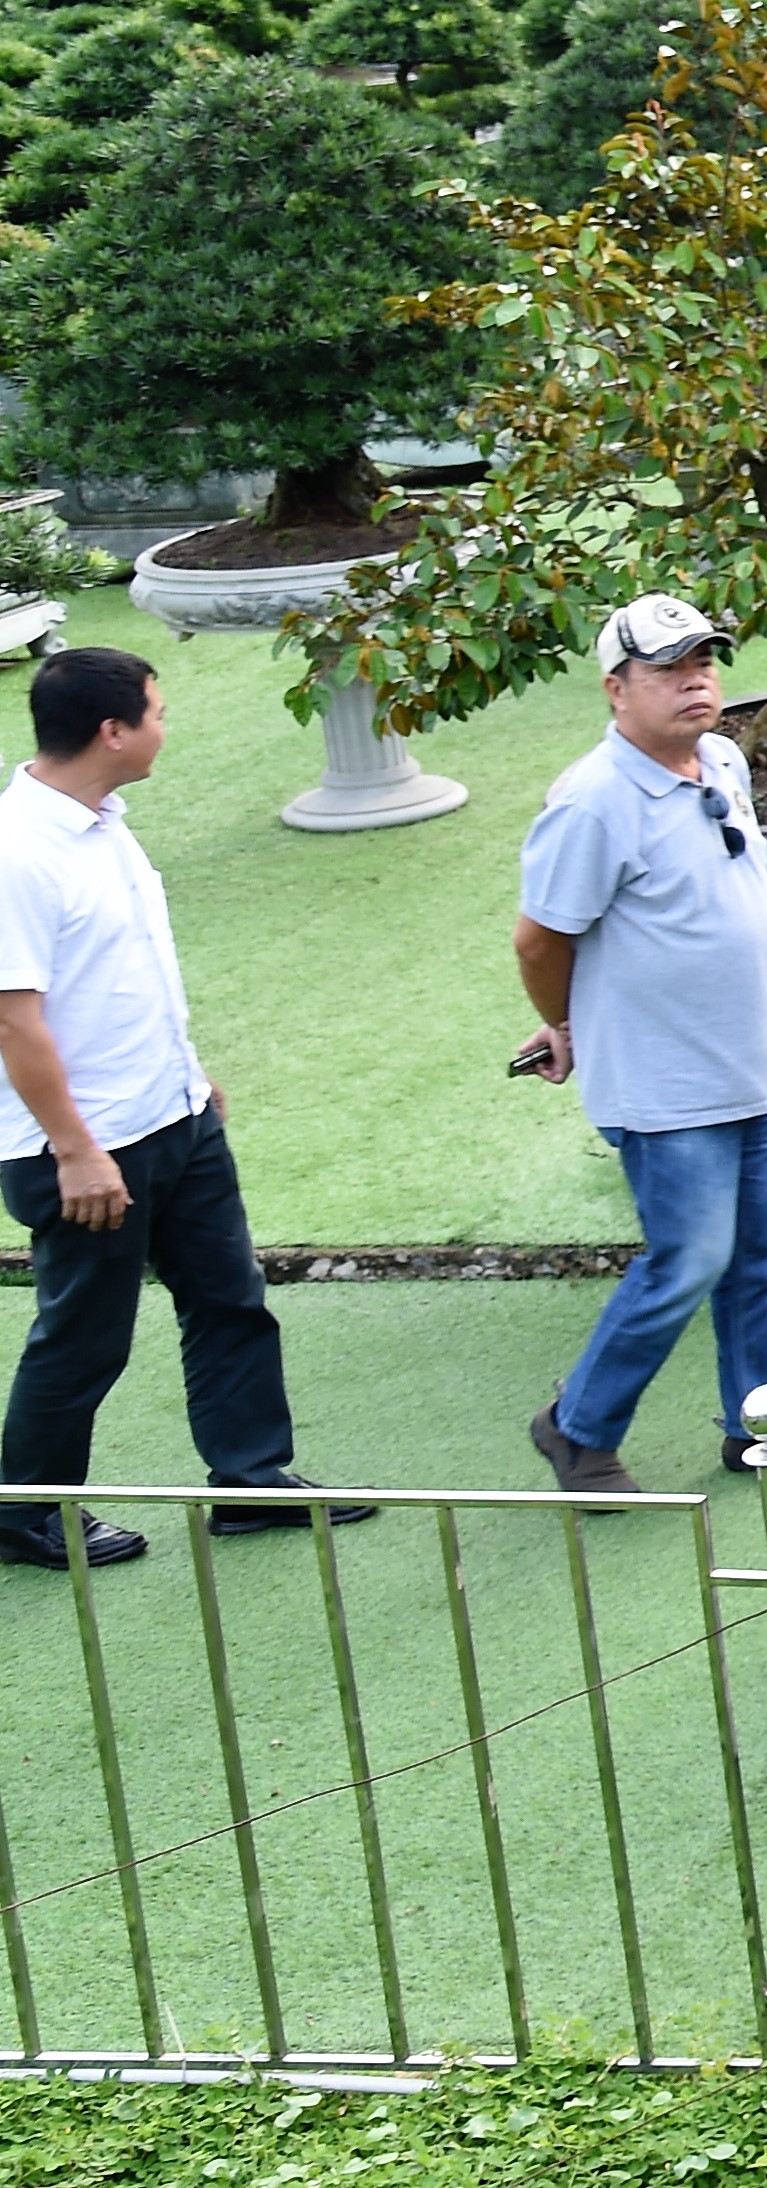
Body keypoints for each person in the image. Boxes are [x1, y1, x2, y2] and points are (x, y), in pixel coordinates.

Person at [0, 646, 362, 1566]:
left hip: (175, 1115)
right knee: (86, 1337)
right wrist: (75, 1150)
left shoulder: (104, 823)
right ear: (112, 731)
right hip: (87, 1148)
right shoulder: (18, 853)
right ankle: (25, 1512)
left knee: (230, 1299)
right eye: (156, 713)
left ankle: (249, 1480)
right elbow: (12, 1019)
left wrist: (189, 1076)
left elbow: (122, 970)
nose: (166, 727)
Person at [514, 596, 767, 1495]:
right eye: (668, 670)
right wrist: (565, 1026)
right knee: (691, 1261)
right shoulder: (593, 803)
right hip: (665, 1087)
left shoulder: (722, 759)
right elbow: (540, 940)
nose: (696, 683)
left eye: (704, 663)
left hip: (754, 1067)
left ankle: (762, 1422)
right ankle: (577, 1428)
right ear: (616, 689)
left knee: (759, 1259)